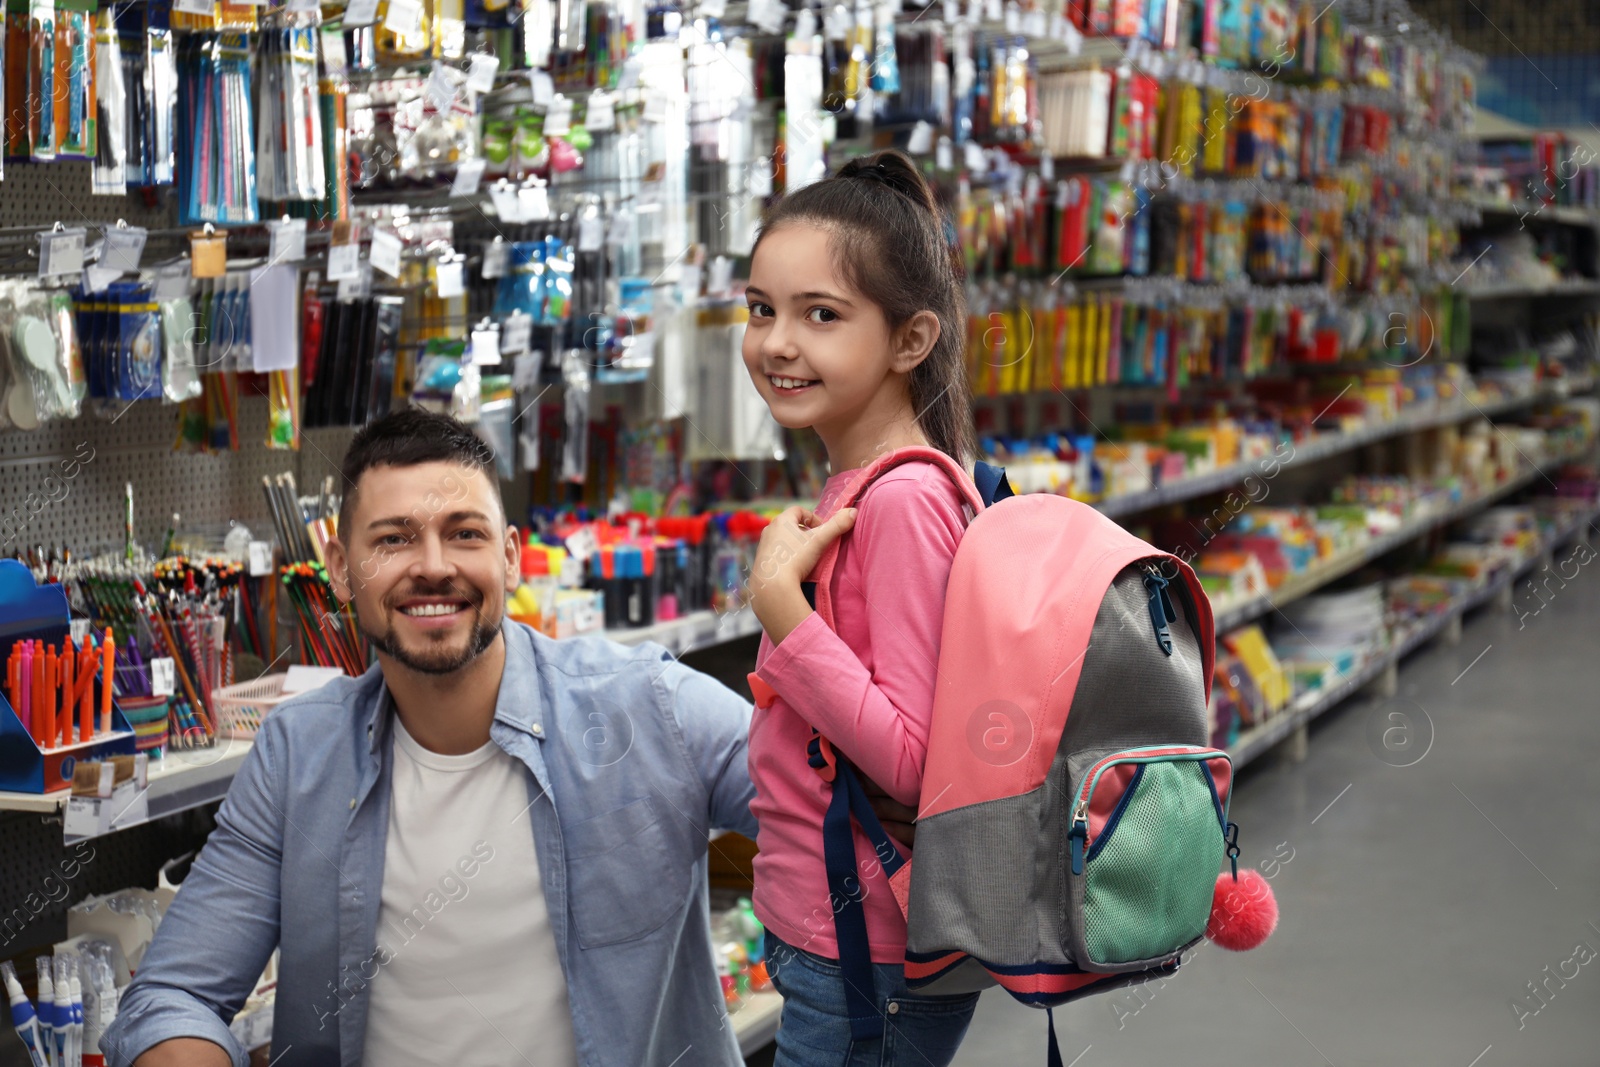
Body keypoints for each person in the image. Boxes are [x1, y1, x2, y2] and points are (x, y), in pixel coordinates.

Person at [101, 409, 793, 1067]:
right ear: (341, 568)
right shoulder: (296, 758)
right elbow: (173, 995)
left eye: (464, 532)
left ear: (512, 556)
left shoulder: (652, 708)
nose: (433, 565)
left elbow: (842, 808)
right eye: (394, 538)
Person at [739, 150, 982, 1067]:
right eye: (762, 309)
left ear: (911, 339)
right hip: (837, 935)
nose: (777, 343)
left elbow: (915, 761)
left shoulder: (903, 501)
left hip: (868, 949)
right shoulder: (862, 488)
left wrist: (781, 611)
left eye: (822, 316)